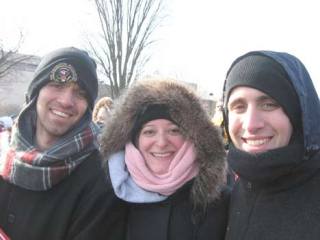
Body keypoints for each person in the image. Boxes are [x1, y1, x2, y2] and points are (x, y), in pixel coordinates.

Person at [0, 47, 125, 240]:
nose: (66, 101)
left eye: (80, 93)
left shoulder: (101, 182)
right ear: (36, 90)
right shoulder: (3, 151)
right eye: (57, 85)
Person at [100, 78, 230, 240]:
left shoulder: (219, 200)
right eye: (149, 132)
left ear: (191, 138)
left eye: (174, 131)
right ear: (134, 141)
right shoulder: (109, 197)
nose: (161, 143)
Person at [222, 50, 320, 240]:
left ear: (297, 112)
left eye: (268, 104)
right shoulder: (228, 194)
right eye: (239, 107)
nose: (251, 124)